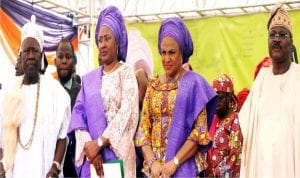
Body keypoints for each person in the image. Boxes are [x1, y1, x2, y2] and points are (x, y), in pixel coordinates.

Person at [135, 17, 217, 177]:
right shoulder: (153, 87)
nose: (166, 59)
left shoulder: (194, 84)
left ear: (182, 53)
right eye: (163, 53)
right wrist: (153, 163)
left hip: (183, 167)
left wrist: (175, 163)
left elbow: (199, 132)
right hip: (155, 172)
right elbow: (143, 130)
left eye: (172, 53)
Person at [68, 6, 139, 178]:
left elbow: (128, 115)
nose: (103, 44)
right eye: (100, 40)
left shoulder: (126, 73)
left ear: (118, 42)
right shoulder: (90, 79)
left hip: (119, 160)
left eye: (108, 39)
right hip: (94, 161)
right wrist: (90, 148)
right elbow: (78, 117)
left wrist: (100, 143)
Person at [0, 15, 71, 178]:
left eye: (35, 51)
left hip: (44, 171)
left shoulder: (56, 92)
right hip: (15, 172)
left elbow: (63, 136)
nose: (31, 56)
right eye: (27, 51)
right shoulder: (7, 93)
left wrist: (55, 167)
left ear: (41, 56)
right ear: (20, 54)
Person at [239, 3, 300, 177]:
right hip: (262, 166)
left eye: (283, 35)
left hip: (291, 166)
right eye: (272, 35)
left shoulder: (298, 77)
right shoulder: (261, 79)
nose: (277, 39)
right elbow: (245, 124)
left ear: (291, 42)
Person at [206, 74, 243, 177]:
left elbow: (234, 156)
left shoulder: (235, 120)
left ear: (229, 97)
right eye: (213, 98)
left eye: (220, 98)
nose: (216, 102)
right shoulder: (216, 121)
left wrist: (215, 174)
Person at [55, 38, 81, 177]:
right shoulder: (49, 92)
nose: (64, 61)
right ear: (55, 62)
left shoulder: (82, 93)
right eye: (60, 57)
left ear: (74, 61)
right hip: (52, 165)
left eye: (68, 57)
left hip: (75, 166)